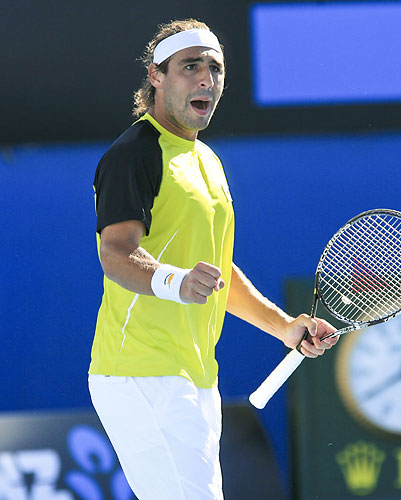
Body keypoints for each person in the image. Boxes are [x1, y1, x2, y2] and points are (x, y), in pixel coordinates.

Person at [88, 18, 338, 500]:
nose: (206, 79)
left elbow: (217, 272)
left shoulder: (206, 160)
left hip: (196, 376)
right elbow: (115, 253)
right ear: (156, 76)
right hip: (141, 373)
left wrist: (284, 326)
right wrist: (175, 282)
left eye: (215, 68)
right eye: (190, 66)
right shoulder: (134, 154)